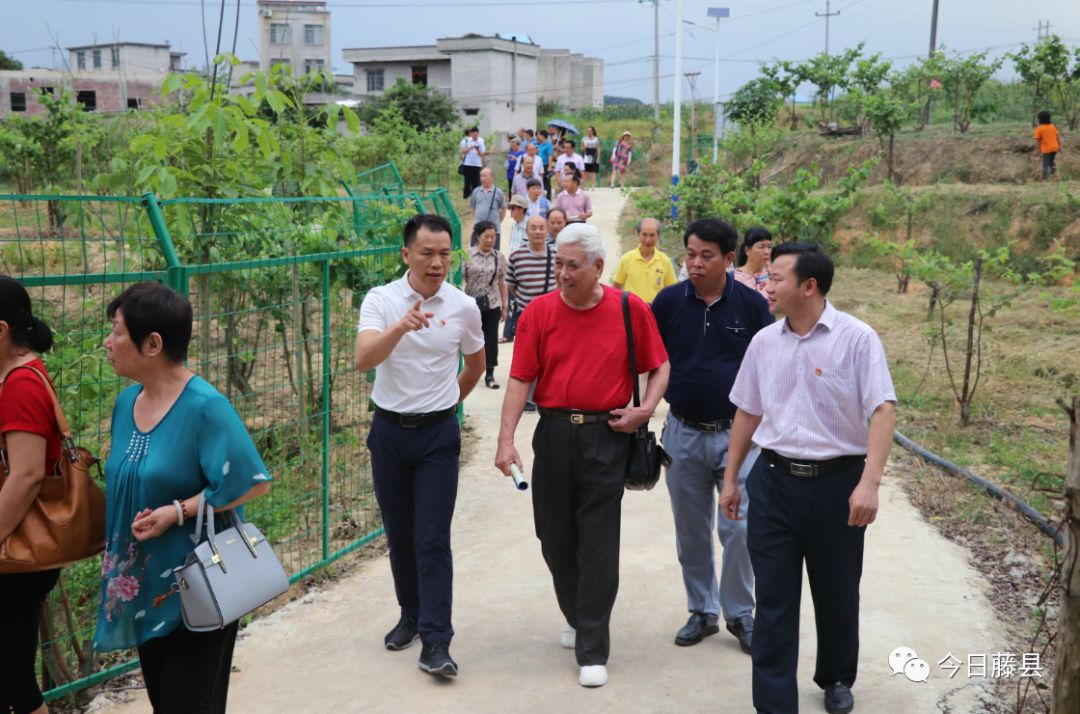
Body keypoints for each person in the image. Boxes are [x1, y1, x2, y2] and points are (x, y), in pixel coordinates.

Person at [719, 241, 897, 714]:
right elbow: (747, 412)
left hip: (838, 486)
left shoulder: (857, 339)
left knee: (837, 591)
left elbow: (882, 410)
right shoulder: (763, 342)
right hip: (774, 482)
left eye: (776, 278)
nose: (767, 285)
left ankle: (836, 676)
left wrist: (870, 483)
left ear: (809, 286)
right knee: (774, 599)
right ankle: (775, 703)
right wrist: (732, 478)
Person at [495, 223, 670, 689]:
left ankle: (592, 645)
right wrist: (505, 438)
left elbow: (660, 364)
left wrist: (646, 410)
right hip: (553, 433)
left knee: (597, 540)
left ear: (598, 267)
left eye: (573, 265)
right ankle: (578, 614)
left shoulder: (630, 309)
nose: (563, 273)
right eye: (558, 263)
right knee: (553, 536)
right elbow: (519, 379)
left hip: (606, 436)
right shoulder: (538, 313)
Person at [93, 282, 273, 714]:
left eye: (117, 332)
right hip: (144, 589)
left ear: (152, 343)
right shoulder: (126, 402)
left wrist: (179, 511)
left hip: (200, 584)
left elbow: (253, 482)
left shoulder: (204, 407)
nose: (108, 342)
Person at [355, 214, 486, 678]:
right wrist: (400, 328)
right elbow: (362, 358)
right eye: (427, 253)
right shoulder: (382, 299)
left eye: (445, 254)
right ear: (406, 254)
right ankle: (409, 614)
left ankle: (436, 641)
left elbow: (474, 366)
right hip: (388, 433)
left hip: (437, 437)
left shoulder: (464, 306)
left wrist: (447, 405)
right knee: (400, 534)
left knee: (431, 539)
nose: (437, 263)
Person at [650, 220, 772, 656]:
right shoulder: (667, 303)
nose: (696, 263)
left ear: (729, 258)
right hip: (682, 433)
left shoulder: (753, 307)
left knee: (737, 528)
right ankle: (702, 609)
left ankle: (740, 613)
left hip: (737, 436)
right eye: (690, 254)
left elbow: (768, 369)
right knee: (691, 530)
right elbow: (649, 361)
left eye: (706, 256)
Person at [0, 276, 63, 714]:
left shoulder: (20, 384)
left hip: (17, 548)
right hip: (15, 544)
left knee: (13, 680)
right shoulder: (16, 374)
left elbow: (25, 476)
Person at [464, 220, 509, 390]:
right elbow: (463, 278)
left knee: (490, 339)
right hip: (471, 304)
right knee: (471, 338)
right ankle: (471, 370)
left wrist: (504, 306)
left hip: (492, 303)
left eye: (493, 237)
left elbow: (501, 282)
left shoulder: (499, 256)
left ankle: (490, 374)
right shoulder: (467, 255)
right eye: (486, 236)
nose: (490, 240)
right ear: (478, 236)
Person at [501, 215, 554, 346]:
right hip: (526, 317)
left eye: (542, 228)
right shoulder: (516, 256)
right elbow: (512, 286)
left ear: (547, 231)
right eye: (533, 228)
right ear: (526, 232)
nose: (537, 232)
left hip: (552, 318)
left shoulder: (556, 256)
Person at [612, 217, 678, 303]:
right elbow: (616, 287)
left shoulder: (665, 261)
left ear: (658, 236)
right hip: (632, 311)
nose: (648, 240)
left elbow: (672, 291)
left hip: (656, 312)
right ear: (638, 234)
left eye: (652, 235)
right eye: (644, 234)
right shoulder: (627, 259)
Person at [469, 167, 506, 249]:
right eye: (481, 176)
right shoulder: (476, 191)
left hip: (494, 230)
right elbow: (473, 208)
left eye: (485, 176)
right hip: (478, 229)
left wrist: (498, 222)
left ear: (492, 178)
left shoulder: (498, 193)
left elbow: (503, 209)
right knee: (474, 253)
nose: (482, 178)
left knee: (494, 255)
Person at [733, 227, 772, 297]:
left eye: (769, 247)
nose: (767, 252)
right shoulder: (733, 278)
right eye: (761, 247)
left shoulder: (773, 276)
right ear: (747, 250)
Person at [1034, 110, 1061, 182]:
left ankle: (1045, 179)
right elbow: (1057, 137)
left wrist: (1037, 151)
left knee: (1045, 164)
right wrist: (1059, 146)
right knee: (1051, 161)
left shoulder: (1039, 128)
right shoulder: (1053, 126)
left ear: (1040, 119)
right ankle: (1056, 176)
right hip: (1055, 147)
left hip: (1046, 149)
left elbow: (1038, 142)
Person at [460, 127, 485, 199]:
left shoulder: (481, 141)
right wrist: (469, 148)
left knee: (476, 181)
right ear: (471, 134)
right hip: (468, 163)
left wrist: (478, 150)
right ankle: (466, 195)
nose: (475, 137)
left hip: (477, 164)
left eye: (476, 135)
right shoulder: (467, 140)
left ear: (478, 134)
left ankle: (476, 195)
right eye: (473, 135)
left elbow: (482, 154)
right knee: (467, 180)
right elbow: (462, 151)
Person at [536, 130, 556, 199]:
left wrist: (550, 166)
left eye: (539, 135)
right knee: (541, 182)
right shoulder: (541, 144)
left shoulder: (548, 145)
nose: (538, 137)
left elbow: (550, 156)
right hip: (540, 165)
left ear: (543, 136)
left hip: (545, 165)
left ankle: (548, 197)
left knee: (546, 183)